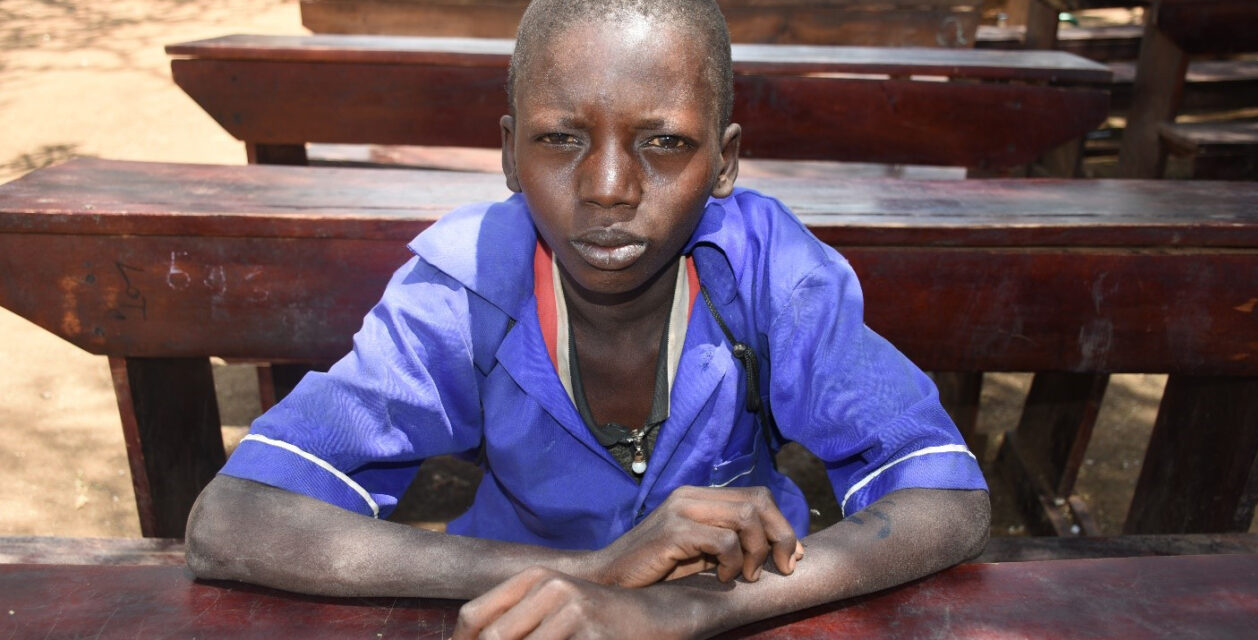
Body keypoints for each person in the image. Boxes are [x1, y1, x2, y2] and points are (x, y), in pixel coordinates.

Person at [184, 0, 991, 637]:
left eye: (667, 143)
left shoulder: (770, 277)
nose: (609, 186)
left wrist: (690, 610)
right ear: (508, 152)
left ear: (726, 161)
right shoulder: (467, 288)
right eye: (561, 137)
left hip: (739, 607)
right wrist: (599, 571)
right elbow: (233, 523)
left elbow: (947, 500)